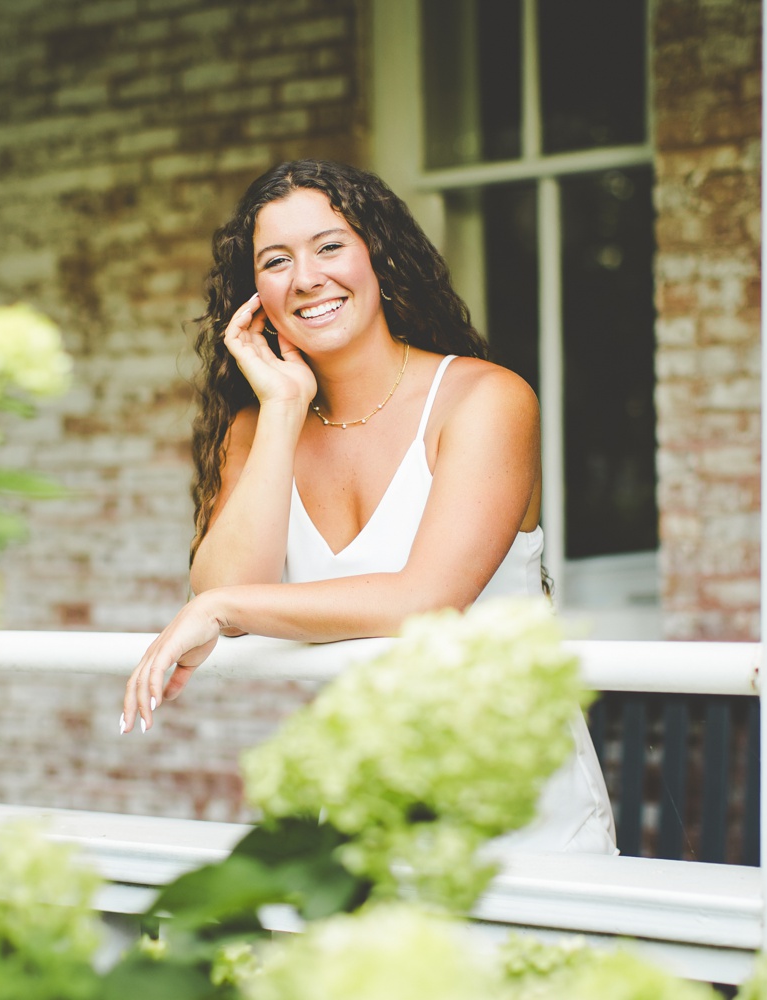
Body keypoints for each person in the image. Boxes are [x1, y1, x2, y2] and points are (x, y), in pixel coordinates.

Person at [120, 160, 615, 854]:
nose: (306, 278)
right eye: (276, 261)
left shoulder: (486, 400)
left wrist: (221, 610)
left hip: (524, 817)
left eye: (329, 246)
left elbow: (426, 601)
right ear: (254, 295)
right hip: (365, 822)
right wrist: (284, 409)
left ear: (378, 255)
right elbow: (226, 586)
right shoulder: (256, 429)